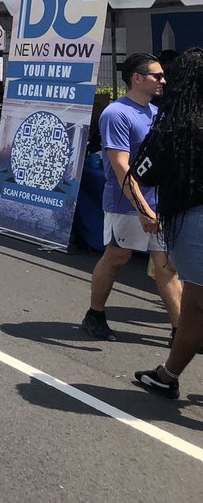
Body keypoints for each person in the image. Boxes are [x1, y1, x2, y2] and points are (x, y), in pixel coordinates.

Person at [83, 53, 180, 342]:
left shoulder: (155, 113)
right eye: (157, 76)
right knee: (117, 256)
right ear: (137, 78)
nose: (163, 80)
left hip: (158, 203)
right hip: (125, 205)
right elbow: (121, 166)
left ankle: (183, 332)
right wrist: (141, 208)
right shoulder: (116, 114)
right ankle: (95, 314)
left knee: (167, 267)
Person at [133, 47, 203, 399]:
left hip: (192, 223)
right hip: (190, 225)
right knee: (193, 305)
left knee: (198, 300)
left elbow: (143, 172)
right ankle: (167, 375)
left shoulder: (175, 125)